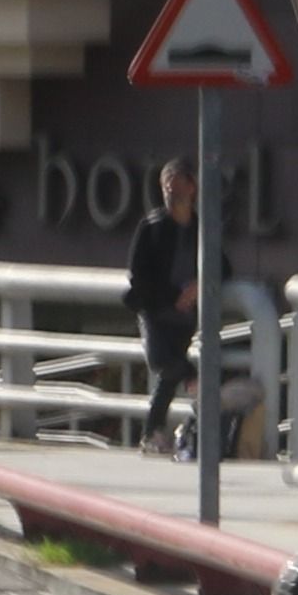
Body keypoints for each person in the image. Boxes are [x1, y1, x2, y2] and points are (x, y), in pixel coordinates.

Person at [126, 159, 201, 454]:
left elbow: (223, 266)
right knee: (162, 362)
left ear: (191, 187)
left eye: (177, 182)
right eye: (166, 184)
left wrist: (197, 286)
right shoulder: (153, 226)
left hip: (183, 317)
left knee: (167, 380)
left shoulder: (200, 228)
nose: (170, 189)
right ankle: (195, 375)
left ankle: (152, 434)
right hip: (156, 311)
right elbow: (139, 274)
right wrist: (173, 296)